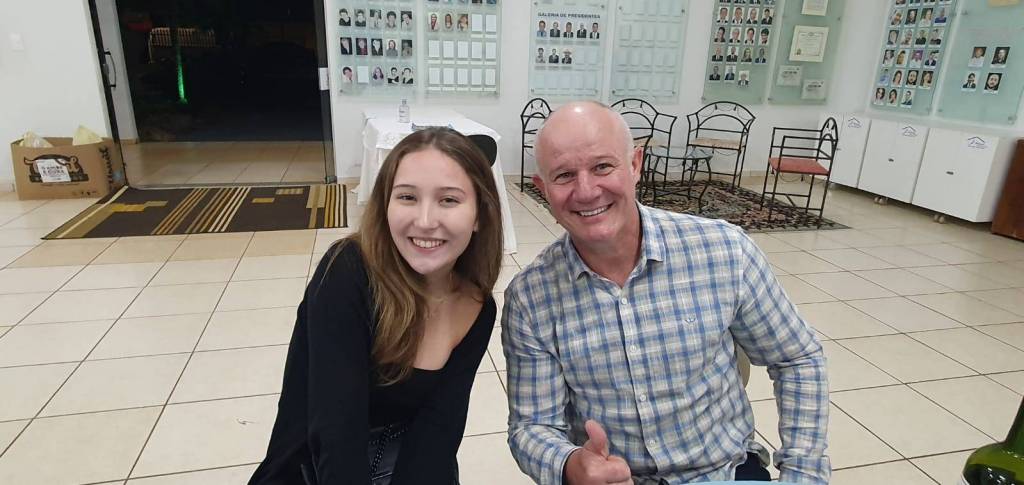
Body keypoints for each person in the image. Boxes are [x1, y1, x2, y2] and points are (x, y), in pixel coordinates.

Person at [502, 102, 830, 485]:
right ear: (542, 189)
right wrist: (571, 464)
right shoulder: (531, 297)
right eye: (564, 175)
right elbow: (532, 426)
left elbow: (797, 359)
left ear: (635, 164)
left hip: (723, 471)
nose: (587, 191)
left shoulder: (723, 251)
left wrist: (803, 473)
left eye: (603, 166)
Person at [250, 128, 504, 485]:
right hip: (314, 467)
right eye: (407, 197)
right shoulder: (348, 271)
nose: (425, 221)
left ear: (480, 215)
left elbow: (439, 430)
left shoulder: (478, 307)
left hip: (401, 460)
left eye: (448, 200)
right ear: (385, 206)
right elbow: (335, 432)